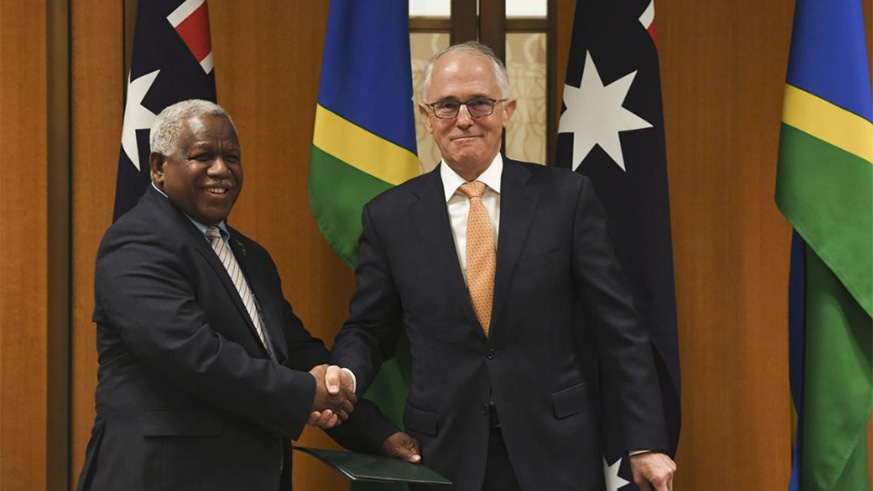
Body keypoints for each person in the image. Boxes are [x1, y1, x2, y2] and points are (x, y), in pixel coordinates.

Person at [328, 42, 676, 491]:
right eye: (447, 106)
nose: (465, 119)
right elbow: (371, 328)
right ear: (425, 116)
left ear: (508, 110)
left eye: (480, 102)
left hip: (556, 451)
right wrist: (346, 375)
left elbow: (618, 329)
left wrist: (645, 440)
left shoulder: (566, 199)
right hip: (443, 453)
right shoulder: (388, 216)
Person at [77, 99, 419, 491]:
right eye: (202, 156)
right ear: (158, 167)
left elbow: (295, 350)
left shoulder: (249, 255)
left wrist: (373, 431)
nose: (221, 170)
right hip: (162, 476)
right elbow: (196, 355)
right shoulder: (137, 243)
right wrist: (309, 392)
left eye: (232, 157)